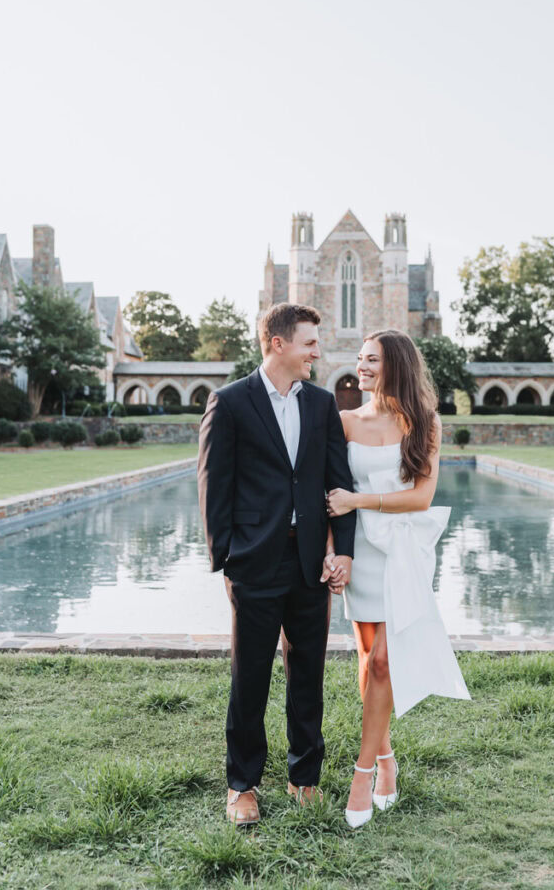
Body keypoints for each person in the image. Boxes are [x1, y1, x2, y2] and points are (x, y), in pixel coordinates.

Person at [197, 302, 356, 826]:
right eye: (310, 342)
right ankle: (242, 785)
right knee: (252, 676)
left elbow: (338, 484)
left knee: (307, 673)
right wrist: (228, 562)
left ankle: (302, 777)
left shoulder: (320, 403)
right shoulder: (231, 402)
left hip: (311, 561)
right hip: (255, 563)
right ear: (278, 344)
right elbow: (213, 489)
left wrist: (343, 551)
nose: (318, 351)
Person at [326, 329, 471, 829]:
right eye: (360, 358)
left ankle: (363, 773)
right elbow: (329, 496)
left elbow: (421, 497)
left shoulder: (425, 422)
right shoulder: (343, 421)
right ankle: (387, 758)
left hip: (404, 550)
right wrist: (335, 553)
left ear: (397, 367)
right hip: (360, 553)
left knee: (385, 661)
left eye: (371, 360)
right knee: (369, 662)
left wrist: (359, 500)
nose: (361, 366)